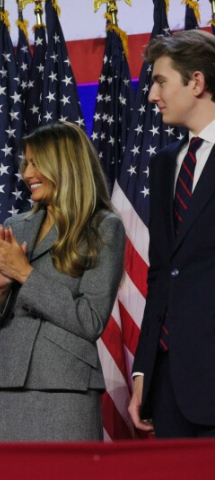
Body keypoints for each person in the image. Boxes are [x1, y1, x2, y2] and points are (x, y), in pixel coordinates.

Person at [0, 121, 125, 441]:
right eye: (25, 164)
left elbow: (90, 320)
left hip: (64, 388)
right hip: (4, 385)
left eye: (35, 163)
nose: (26, 174)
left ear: (65, 164)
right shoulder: (17, 225)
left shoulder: (103, 228)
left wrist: (24, 274)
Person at [128, 29, 215, 438]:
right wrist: (145, 367)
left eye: (160, 81)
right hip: (170, 387)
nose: (151, 95)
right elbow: (162, 273)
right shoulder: (165, 164)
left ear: (196, 82)